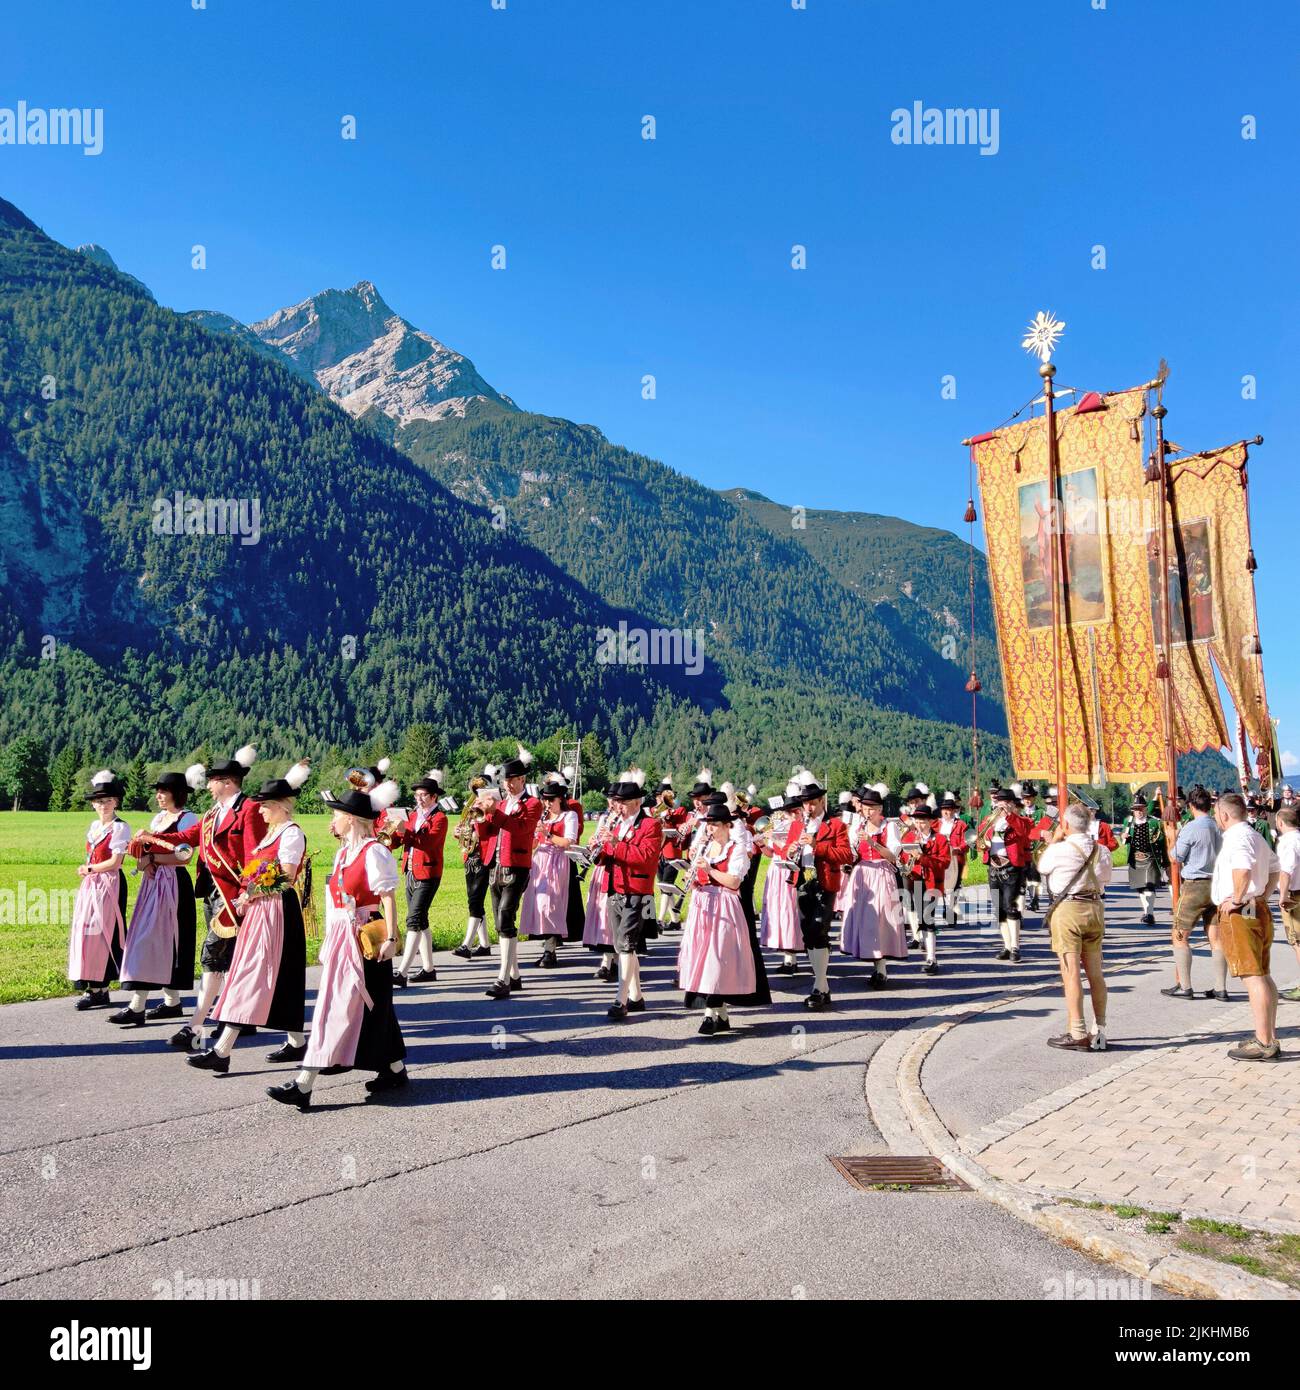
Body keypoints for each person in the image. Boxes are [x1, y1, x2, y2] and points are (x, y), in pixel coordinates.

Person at [268, 776, 406, 1109]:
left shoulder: (374, 853)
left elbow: (387, 897)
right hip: (344, 938)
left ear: (352, 819)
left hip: (366, 939)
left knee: (339, 1007)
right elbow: (337, 903)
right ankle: (395, 1069)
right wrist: (330, 941)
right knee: (374, 1006)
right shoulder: (344, 853)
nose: (332, 820)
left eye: (337, 814)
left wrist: (390, 936)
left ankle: (304, 1083)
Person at [189, 761, 311, 1073]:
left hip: (278, 913)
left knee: (251, 977)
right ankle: (297, 1042)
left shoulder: (291, 835)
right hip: (261, 912)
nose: (259, 811)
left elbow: (286, 877)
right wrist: (248, 893)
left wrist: (251, 892)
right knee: (272, 979)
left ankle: (222, 1050)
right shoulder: (272, 834)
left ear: (281, 807)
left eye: (265, 806)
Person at [146, 745, 265, 1052]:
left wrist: (245, 893)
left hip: (234, 897)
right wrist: (152, 838)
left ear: (227, 782)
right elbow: (189, 836)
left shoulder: (248, 810)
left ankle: (195, 1025)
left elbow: (255, 855)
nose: (208, 785)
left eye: (212, 780)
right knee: (227, 959)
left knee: (211, 955)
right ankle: (239, 1017)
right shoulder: (213, 814)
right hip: (211, 891)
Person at [110, 771, 198, 1026]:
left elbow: (185, 856)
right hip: (153, 884)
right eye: (158, 791)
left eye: (163, 791)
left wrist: (152, 859)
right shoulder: (159, 818)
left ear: (176, 794)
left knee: (160, 940)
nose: (158, 796)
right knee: (147, 939)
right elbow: (146, 851)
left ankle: (138, 1006)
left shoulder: (187, 817)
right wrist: (142, 858)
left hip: (173, 884)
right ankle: (172, 1003)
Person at [676, 804, 765, 1035]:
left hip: (725, 905)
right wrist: (693, 879)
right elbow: (700, 879)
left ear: (728, 826)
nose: (711, 829)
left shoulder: (736, 850)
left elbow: (734, 882)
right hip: (702, 905)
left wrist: (710, 869)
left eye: (715, 825)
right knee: (703, 959)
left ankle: (709, 1016)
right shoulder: (704, 848)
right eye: (709, 825)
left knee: (717, 960)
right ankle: (722, 1015)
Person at [1210, 793, 1282, 1063]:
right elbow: (1275, 867)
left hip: (1241, 912)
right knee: (1262, 973)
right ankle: (1268, 1035)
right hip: (1256, 906)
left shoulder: (1237, 838)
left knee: (1252, 975)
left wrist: (1239, 898)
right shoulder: (1253, 835)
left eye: (1218, 814)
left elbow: (1242, 870)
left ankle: (1264, 1042)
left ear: (1224, 814)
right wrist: (1262, 894)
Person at [1038, 802, 1113, 1051]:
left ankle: (1077, 1031)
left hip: (1068, 910)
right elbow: (1104, 879)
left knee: (1071, 973)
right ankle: (1099, 1031)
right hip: (1094, 908)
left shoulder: (1059, 850)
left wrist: (1055, 840)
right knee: (1095, 973)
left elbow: (1042, 867)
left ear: (1067, 825)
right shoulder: (1101, 850)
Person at [591, 770, 663, 1021]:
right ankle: (636, 996)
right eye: (616, 803)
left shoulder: (651, 825)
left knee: (625, 945)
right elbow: (606, 858)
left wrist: (613, 843)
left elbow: (645, 858)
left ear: (635, 803)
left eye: (622, 803)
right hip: (615, 889)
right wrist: (597, 850)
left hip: (638, 892)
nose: (617, 807)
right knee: (622, 946)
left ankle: (620, 1000)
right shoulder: (617, 824)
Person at [780, 771, 853, 1011]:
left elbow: (845, 855)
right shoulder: (797, 825)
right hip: (803, 882)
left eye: (813, 802)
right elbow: (787, 855)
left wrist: (816, 846)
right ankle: (823, 988)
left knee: (818, 929)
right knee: (808, 935)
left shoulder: (837, 825)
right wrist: (790, 851)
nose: (808, 807)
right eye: (805, 803)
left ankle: (818, 986)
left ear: (822, 801)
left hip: (825, 882)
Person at [479, 748, 543, 1000]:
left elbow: (521, 828)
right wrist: (481, 816)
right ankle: (515, 975)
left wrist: (495, 812)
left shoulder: (533, 804)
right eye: (504, 780)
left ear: (522, 780)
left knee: (505, 917)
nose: (507, 784)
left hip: (517, 866)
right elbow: (486, 835)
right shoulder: (502, 803)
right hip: (494, 866)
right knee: (499, 922)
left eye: (511, 780)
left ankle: (503, 978)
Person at [68, 770, 130, 1011]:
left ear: (116, 802)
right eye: (99, 801)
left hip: (109, 884)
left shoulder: (120, 828)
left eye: (107, 800)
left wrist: (90, 868)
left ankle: (99, 989)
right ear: (93, 804)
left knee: (101, 934)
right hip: (92, 884)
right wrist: (90, 871)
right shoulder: (94, 826)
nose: (103, 805)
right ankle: (94, 988)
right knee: (85, 932)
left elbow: (116, 862)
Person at [838, 785, 906, 987]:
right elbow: (852, 854)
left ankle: (881, 968)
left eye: (871, 808)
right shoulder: (856, 828)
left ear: (880, 809)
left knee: (882, 918)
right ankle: (871, 959)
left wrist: (872, 842)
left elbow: (893, 856)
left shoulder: (889, 827)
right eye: (865, 808)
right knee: (865, 919)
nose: (867, 812)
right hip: (862, 875)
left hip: (882, 872)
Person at [387, 770, 449, 986]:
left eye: (423, 795)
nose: (419, 798)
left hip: (428, 873)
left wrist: (405, 831)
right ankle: (429, 968)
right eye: (417, 795)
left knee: (413, 920)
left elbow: (428, 843)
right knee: (421, 920)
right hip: (410, 870)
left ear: (434, 797)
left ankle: (402, 972)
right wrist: (391, 835)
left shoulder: (440, 818)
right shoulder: (413, 816)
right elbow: (400, 841)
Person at [1164, 785, 1225, 1001]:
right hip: (1216, 884)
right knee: (1216, 938)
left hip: (1194, 885)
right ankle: (1220, 987)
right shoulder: (1219, 826)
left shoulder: (1191, 827)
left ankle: (1186, 986)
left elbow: (1175, 858)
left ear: (1191, 806)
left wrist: (1172, 837)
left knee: (1179, 935)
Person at [519, 780, 580, 967]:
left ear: (560, 799)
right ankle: (548, 948)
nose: (546, 804)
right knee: (537, 905)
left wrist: (547, 834)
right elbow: (534, 845)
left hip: (558, 861)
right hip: (540, 861)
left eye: (550, 800)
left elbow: (568, 842)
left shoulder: (569, 816)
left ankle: (551, 950)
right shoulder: (543, 817)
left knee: (551, 905)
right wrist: (529, 835)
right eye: (544, 800)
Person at [977, 787, 1032, 962]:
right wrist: (981, 845)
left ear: (1012, 804)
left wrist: (1009, 815)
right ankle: (1007, 946)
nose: (1002, 805)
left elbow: (1024, 833)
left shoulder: (1020, 820)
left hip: (1012, 868)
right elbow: (979, 839)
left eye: (1006, 802)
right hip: (993, 867)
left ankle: (1016, 946)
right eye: (1000, 801)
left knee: (1011, 907)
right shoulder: (989, 820)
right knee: (999, 910)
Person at [898, 804, 951, 975]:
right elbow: (903, 858)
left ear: (930, 821)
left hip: (932, 884)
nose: (920, 825)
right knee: (922, 919)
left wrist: (924, 858)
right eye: (917, 821)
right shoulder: (909, 837)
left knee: (928, 919)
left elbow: (945, 863)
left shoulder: (941, 839)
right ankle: (929, 955)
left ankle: (931, 958)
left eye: (923, 822)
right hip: (915, 881)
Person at [758, 783, 804, 974]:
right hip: (775, 871)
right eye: (788, 810)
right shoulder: (781, 824)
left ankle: (791, 958)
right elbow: (772, 853)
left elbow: (790, 853)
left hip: (789, 870)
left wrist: (774, 839)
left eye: (794, 810)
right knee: (776, 911)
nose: (791, 814)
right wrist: (762, 844)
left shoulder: (801, 827)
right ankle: (786, 954)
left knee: (789, 911)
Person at [452, 773, 494, 960]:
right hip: (470, 856)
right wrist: (459, 832)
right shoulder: (471, 805)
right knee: (474, 899)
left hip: (484, 856)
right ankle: (484, 944)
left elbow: (489, 830)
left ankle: (466, 944)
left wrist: (482, 813)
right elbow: (465, 828)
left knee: (475, 901)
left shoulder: (490, 806)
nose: (477, 792)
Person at [582, 797, 618, 979]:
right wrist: (593, 843)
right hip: (601, 869)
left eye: (615, 801)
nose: (611, 805)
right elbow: (597, 839)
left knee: (610, 916)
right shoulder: (606, 818)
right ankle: (609, 960)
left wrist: (612, 841)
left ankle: (611, 961)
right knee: (602, 914)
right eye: (610, 801)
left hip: (616, 870)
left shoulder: (625, 821)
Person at [1121, 799, 1168, 925]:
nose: (1139, 811)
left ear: (1146, 809)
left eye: (1141, 808)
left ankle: (1150, 913)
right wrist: (1123, 837)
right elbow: (1124, 838)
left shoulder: (1155, 823)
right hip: (1135, 859)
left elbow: (1163, 843)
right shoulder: (1128, 822)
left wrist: (1165, 860)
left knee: (1149, 885)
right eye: (1136, 809)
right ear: (1133, 810)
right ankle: (1146, 911)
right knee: (1140, 887)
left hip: (1151, 858)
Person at [652, 778, 690, 930]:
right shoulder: (654, 811)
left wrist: (667, 816)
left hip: (672, 852)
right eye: (659, 796)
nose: (661, 799)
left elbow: (681, 827)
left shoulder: (679, 810)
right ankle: (675, 921)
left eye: (664, 796)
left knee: (666, 886)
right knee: (664, 887)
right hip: (658, 853)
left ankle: (660, 920)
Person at [1274, 804, 1300, 1003]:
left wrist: (1282, 895)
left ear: (1280, 822)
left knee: (1297, 941)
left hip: (1294, 895)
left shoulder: (1287, 842)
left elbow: (1286, 871)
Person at [934, 794, 968, 926]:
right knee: (941, 885)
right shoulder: (936, 824)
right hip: (940, 858)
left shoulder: (961, 825)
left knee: (954, 886)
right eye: (944, 810)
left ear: (954, 810)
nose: (946, 812)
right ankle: (947, 908)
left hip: (956, 859)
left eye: (949, 809)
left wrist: (958, 848)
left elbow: (967, 841)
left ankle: (951, 909)